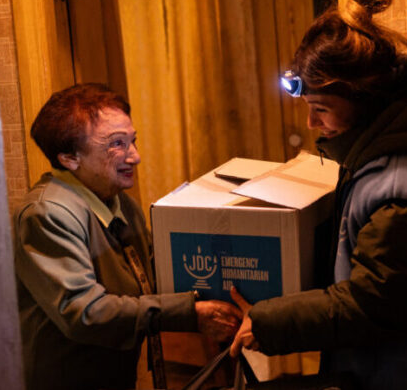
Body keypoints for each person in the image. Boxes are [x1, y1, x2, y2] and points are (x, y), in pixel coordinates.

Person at [229, 0, 407, 389]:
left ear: (362, 99)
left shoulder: (395, 188)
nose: (312, 125)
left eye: (320, 110)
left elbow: (375, 304)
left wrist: (271, 321)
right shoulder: (375, 156)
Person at [13, 83, 242, 390]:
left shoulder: (121, 203)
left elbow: (155, 278)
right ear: (69, 158)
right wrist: (190, 313)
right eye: (116, 144)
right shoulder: (47, 214)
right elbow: (85, 313)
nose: (135, 156)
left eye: (132, 141)